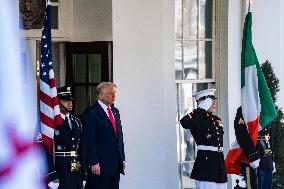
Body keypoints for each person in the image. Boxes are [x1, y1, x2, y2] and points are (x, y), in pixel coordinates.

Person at [180, 89, 227, 189]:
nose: (214, 102)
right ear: (203, 102)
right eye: (210, 100)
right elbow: (184, 122)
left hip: (219, 164)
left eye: (214, 99)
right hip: (206, 166)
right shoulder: (197, 119)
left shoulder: (215, 119)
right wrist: (201, 109)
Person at [82, 82, 126, 189]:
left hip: (115, 164)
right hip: (99, 166)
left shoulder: (115, 112)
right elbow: (88, 140)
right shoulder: (91, 113)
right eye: (111, 94)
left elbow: (119, 137)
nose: (114, 96)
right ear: (100, 96)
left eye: (114, 93)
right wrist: (93, 162)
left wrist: (122, 159)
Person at [53, 86, 86, 189]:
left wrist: (83, 173)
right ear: (57, 101)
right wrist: (52, 174)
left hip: (75, 165)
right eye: (66, 100)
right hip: (60, 166)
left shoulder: (76, 121)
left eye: (71, 100)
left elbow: (81, 148)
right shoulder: (53, 121)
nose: (70, 103)